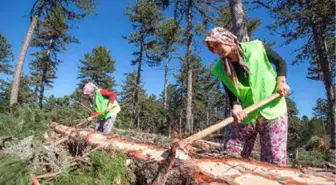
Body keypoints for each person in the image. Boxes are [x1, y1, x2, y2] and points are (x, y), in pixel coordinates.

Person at [204, 27, 291, 166]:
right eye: (212, 48)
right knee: (230, 155)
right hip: (246, 113)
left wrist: (281, 82)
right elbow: (230, 90)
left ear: (226, 39)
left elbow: (280, 62)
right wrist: (236, 106)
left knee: (274, 161)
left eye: (216, 44)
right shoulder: (220, 68)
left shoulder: (256, 47)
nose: (215, 50)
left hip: (272, 109)